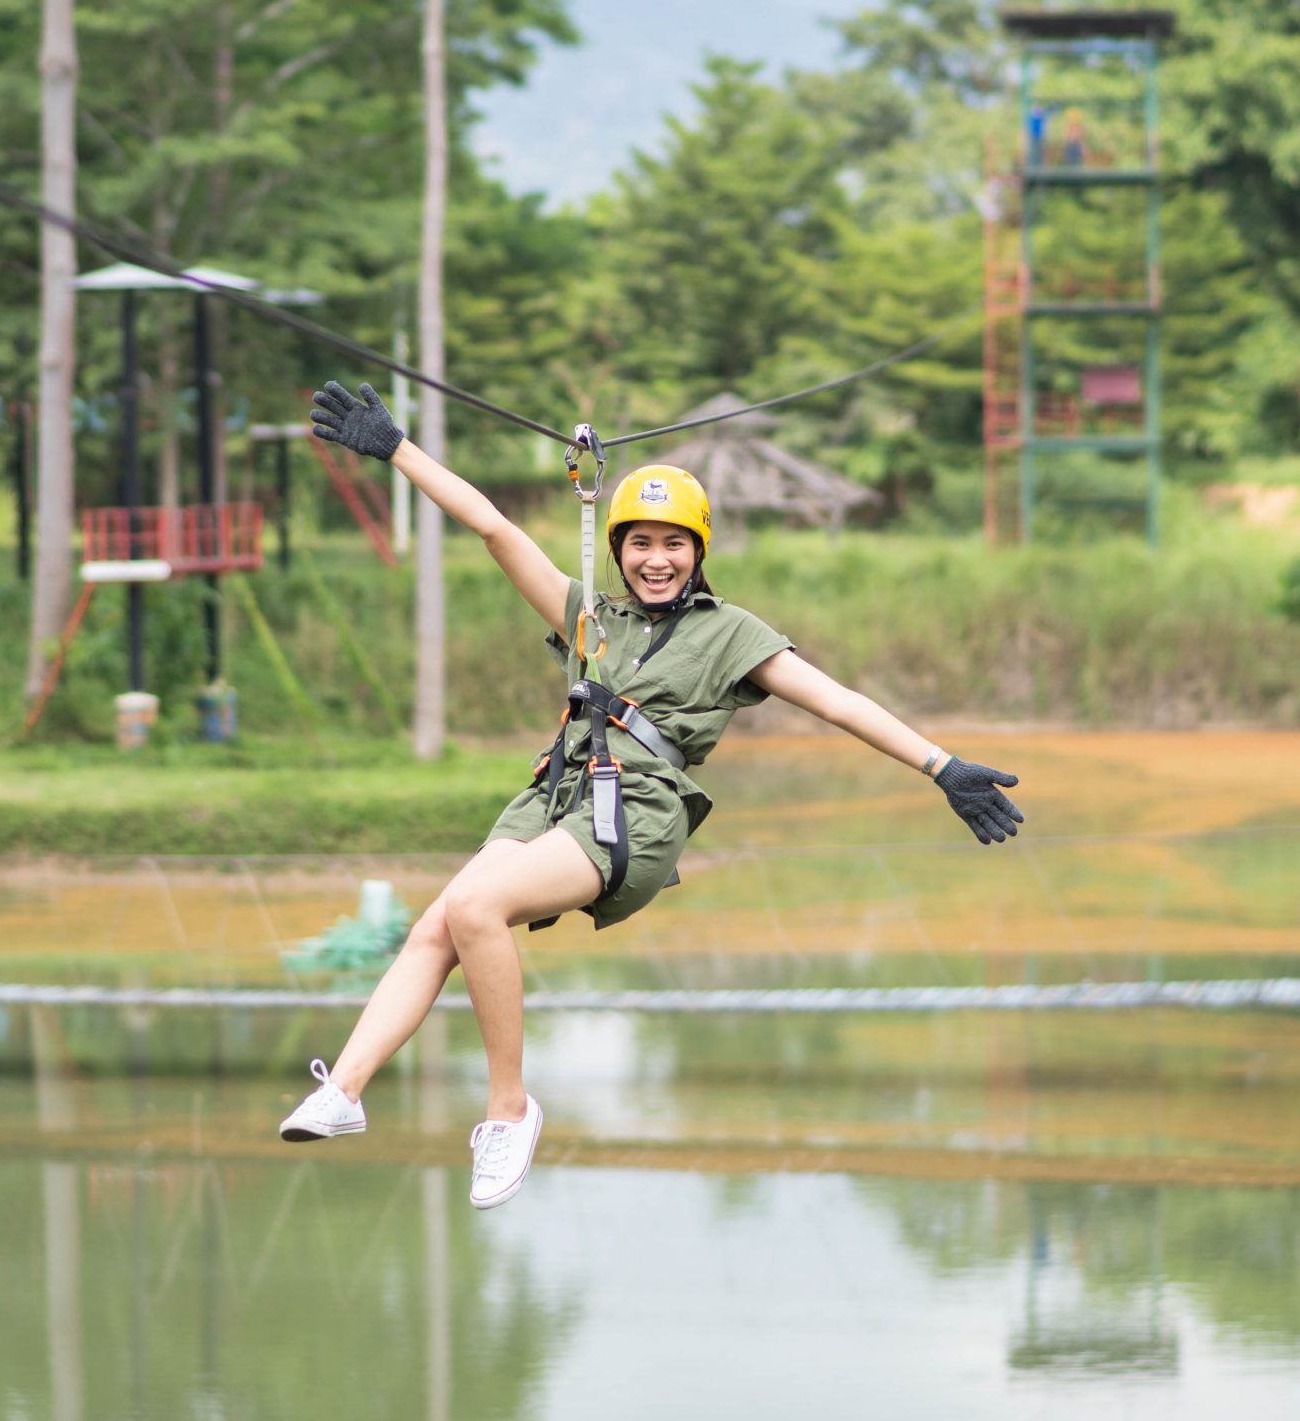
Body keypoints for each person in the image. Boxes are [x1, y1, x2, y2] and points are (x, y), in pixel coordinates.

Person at [278, 381, 1024, 1209]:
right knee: (439, 922)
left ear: (698, 552)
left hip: (632, 811)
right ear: (620, 546)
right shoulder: (591, 614)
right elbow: (495, 528)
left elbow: (839, 701)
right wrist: (398, 451)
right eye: (639, 542)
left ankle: (508, 1110)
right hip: (552, 793)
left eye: (674, 543)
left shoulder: (729, 632)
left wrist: (939, 764)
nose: (656, 558)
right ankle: (345, 1090)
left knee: (478, 906)